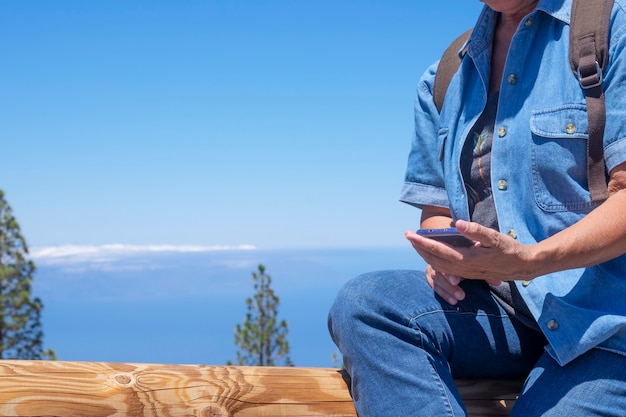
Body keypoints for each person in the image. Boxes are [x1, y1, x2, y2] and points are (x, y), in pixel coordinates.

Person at [328, 0, 626, 415]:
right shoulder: (446, 75)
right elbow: (437, 208)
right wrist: (446, 254)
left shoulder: (610, 26)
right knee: (368, 303)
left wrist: (530, 261)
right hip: (508, 313)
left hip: (607, 326)